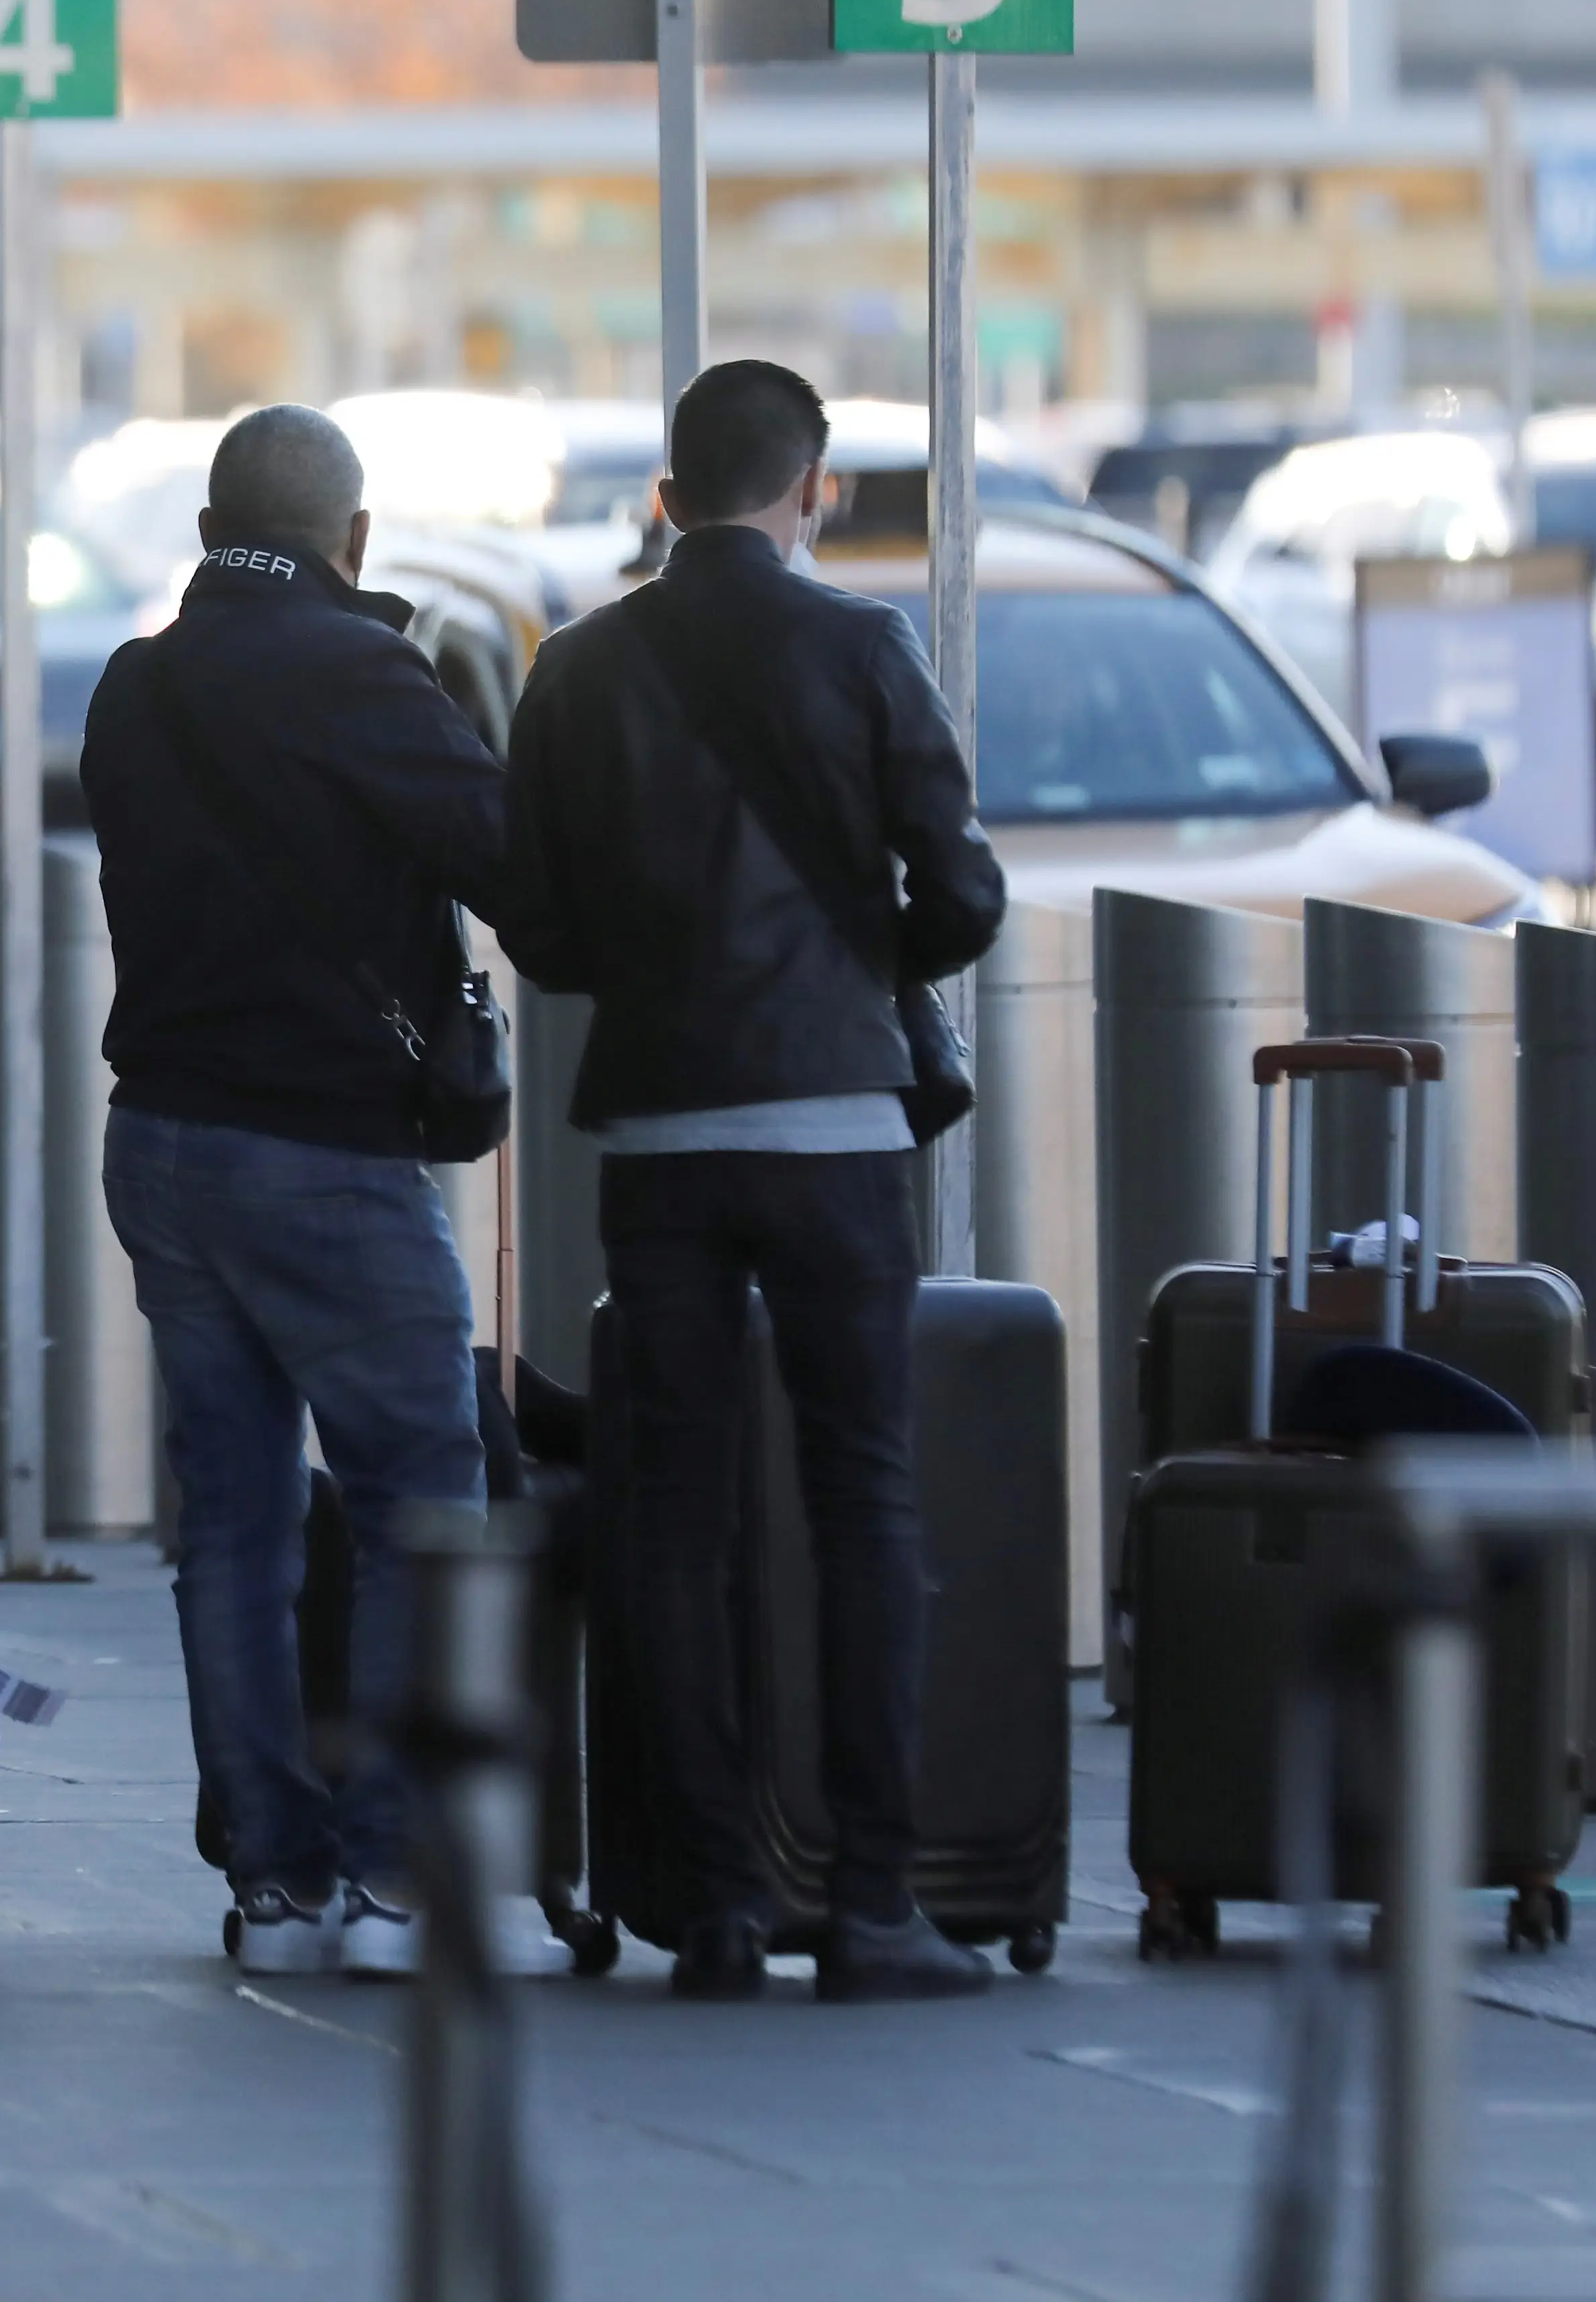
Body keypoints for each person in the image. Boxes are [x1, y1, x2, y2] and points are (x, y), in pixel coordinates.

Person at [493, 356, 1005, 2003]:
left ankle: (713, 1902)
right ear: (816, 486)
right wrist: (862, 971)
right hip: (837, 1135)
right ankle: (868, 1901)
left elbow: (539, 923)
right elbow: (968, 890)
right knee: (864, 1504)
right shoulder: (862, 643)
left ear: (663, 491)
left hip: (659, 1139)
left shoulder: (576, 668)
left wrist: (657, 985)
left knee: (675, 1515)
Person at [80, 404, 512, 1979]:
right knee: (419, 1490)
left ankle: (275, 1873)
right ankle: (397, 1866)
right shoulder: (361, 668)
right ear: (355, 537)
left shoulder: (135, 684)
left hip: (165, 1144)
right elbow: (511, 856)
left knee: (239, 1520)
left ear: (207, 527)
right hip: (324, 1150)